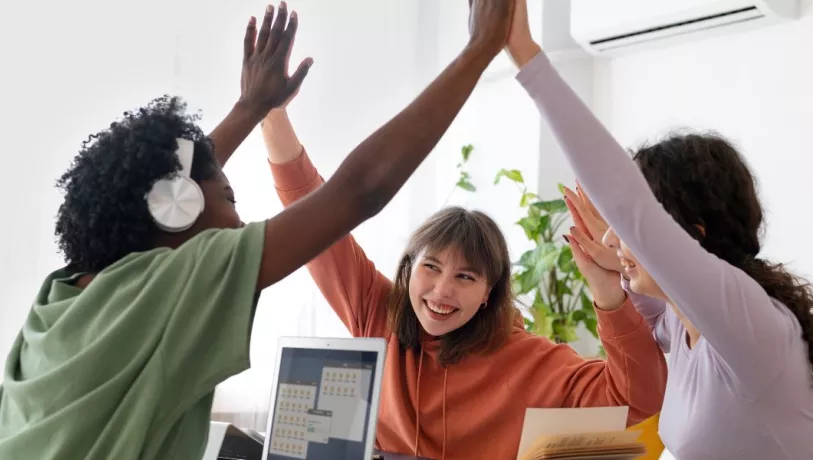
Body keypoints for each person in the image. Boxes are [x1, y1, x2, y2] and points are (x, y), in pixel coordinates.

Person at [0, 1, 516, 458]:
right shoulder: (172, 283)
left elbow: (163, 197)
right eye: (228, 195)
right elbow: (360, 190)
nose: (239, 216)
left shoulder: (63, 298)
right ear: (178, 208)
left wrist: (252, 107)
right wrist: (478, 50)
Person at [263, 62, 667, 460]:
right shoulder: (378, 314)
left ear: (489, 293)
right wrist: (271, 111)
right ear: (408, 271)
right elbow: (314, 217)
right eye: (431, 268)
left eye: (465, 276)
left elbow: (638, 401)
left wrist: (607, 289)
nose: (442, 291)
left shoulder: (530, 362)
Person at [506, 1, 813, 458]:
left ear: (692, 235)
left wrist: (526, 54)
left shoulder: (745, 319)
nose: (615, 238)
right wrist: (616, 267)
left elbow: (627, 204)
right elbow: (637, 313)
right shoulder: (680, 321)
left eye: (631, 230)